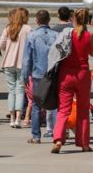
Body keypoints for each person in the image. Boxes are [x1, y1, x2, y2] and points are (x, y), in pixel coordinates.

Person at [52, 8, 93, 154]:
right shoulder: (89, 35)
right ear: (88, 20)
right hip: (82, 75)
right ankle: (84, 144)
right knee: (83, 110)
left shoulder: (67, 34)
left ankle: (58, 139)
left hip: (66, 75)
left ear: (73, 19)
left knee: (63, 109)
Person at [23, 10, 58, 144]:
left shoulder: (32, 36)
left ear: (37, 21)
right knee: (56, 104)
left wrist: (25, 76)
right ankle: (58, 133)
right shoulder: (56, 35)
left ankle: (36, 136)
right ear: (49, 20)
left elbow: (27, 59)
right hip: (53, 74)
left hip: (38, 75)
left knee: (37, 106)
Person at [0, 7, 31, 128]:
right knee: (20, 91)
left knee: (11, 91)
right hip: (22, 64)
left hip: (8, 63)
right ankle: (18, 118)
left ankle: (12, 118)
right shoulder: (28, 29)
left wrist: (9, 48)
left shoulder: (8, 29)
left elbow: (1, 45)